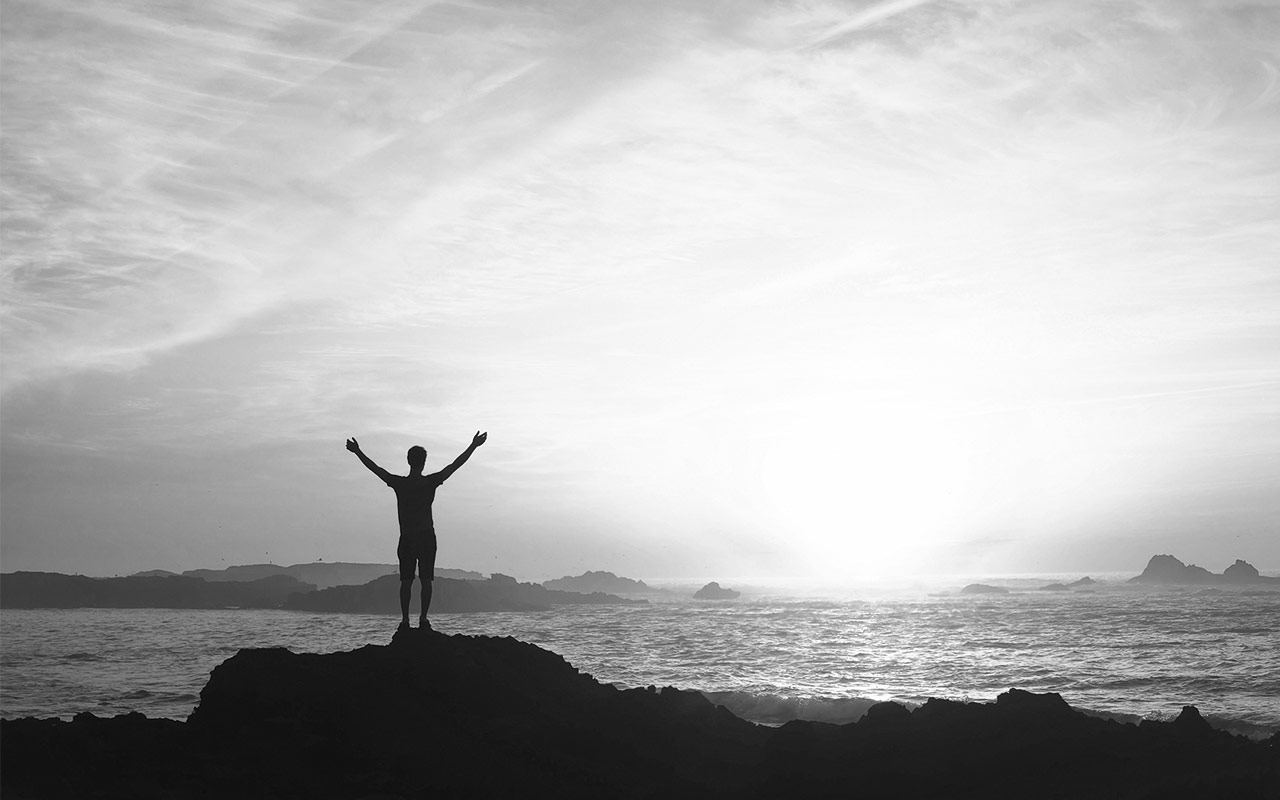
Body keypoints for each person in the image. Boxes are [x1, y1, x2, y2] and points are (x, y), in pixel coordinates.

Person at [345, 431, 487, 631]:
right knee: (426, 581)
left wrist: (358, 451)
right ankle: (423, 619)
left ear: (408, 461)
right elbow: (454, 465)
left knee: (406, 581)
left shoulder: (400, 484)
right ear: (424, 462)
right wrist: (473, 446)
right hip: (426, 537)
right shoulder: (429, 482)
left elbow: (376, 469)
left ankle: (405, 620)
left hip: (408, 538)